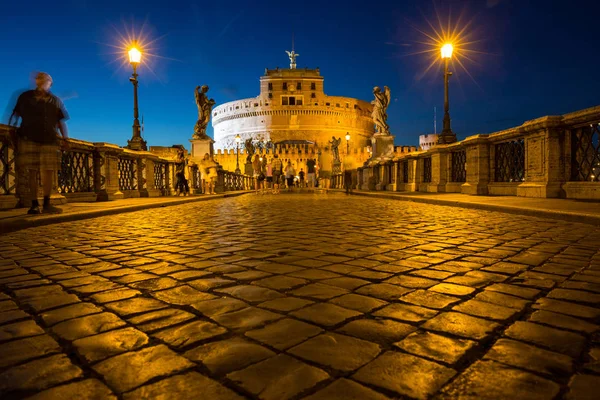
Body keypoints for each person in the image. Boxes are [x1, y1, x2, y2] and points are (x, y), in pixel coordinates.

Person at [9, 72, 69, 214]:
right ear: (36, 81)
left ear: (50, 83)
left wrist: (65, 139)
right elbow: (14, 116)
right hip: (29, 138)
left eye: (46, 80)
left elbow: (60, 122)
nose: (42, 82)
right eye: (40, 79)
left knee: (48, 172)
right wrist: (12, 133)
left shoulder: (55, 101)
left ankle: (47, 203)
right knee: (32, 172)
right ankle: (34, 204)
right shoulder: (25, 97)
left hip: (49, 139)